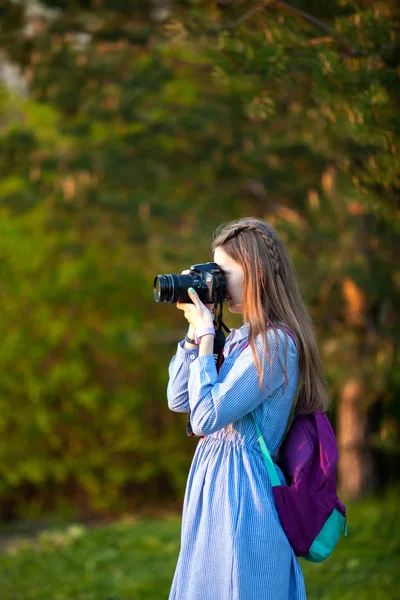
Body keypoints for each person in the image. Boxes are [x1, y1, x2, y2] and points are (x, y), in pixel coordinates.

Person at [167, 217, 330, 599]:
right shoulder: (240, 339)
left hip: (243, 491)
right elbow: (179, 399)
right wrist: (195, 334)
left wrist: (208, 335)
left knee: (241, 584)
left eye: (224, 272)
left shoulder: (274, 345)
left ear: (256, 274)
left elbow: (206, 417)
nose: (216, 283)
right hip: (214, 484)